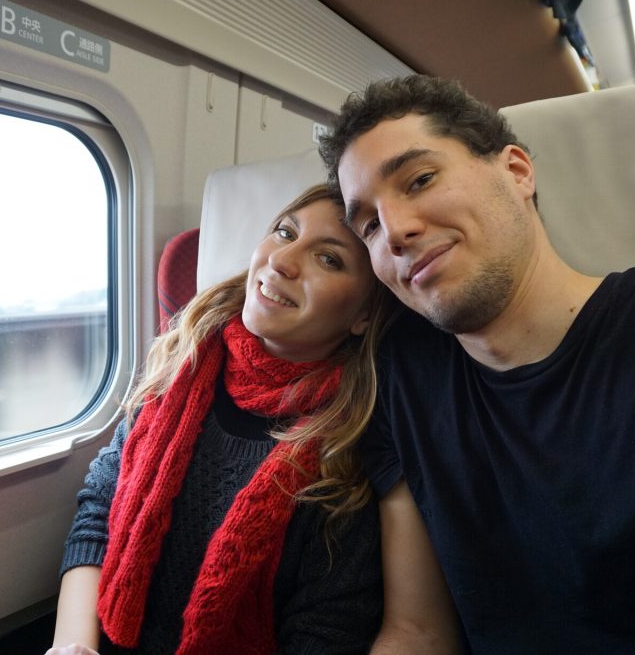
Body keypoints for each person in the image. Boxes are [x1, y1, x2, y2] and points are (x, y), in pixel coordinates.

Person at [317, 75, 635, 653]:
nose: (397, 232)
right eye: (370, 226)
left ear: (516, 172)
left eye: (421, 179)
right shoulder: (402, 381)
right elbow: (418, 632)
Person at [47, 183, 394, 654]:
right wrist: (72, 647)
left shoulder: (348, 449)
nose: (282, 262)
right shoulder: (181, 368)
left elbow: (328, 627)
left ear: (364, 315)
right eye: (284, 232)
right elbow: (99, 510)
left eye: (328, 259)